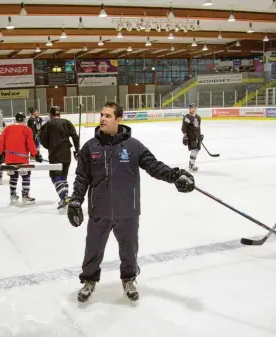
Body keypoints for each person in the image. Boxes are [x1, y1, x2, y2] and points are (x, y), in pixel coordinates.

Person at [67, 102, 195, 303]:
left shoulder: (133, 146)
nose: (102, 119)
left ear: (118, 119)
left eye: (108, 116)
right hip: (99, 210)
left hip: (128, 210)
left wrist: (174, 175)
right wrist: (75, 200)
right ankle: (89, 280)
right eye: (102, 114)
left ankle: (129, 279)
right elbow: (82, 177)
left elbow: (153, 166)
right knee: (93, 248)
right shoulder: (90, 148)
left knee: (129, 249)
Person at [40, 106, 80, 212]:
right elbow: (75, 136)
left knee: (55, 176)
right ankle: (64, 198)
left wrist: (50, 146)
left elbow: (43, 140)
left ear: (50, 115)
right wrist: (77, 150)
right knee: (63, 177)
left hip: (55, 154)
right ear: (59, 114)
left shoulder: (47, 125)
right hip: (67, 153)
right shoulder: (67, 122)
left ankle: (64, 197)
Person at [0, 112, 42, 205]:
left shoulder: (7, 128)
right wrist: (35, 154)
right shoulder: (27, 129)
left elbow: (1, 140)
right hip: (23, 159)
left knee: (13, 177)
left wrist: (1, 152)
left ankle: (13, 194)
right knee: (26, 177)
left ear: (15, 119)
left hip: (10, 158)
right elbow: (30, 143)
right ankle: (25, 195)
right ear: (24, 120)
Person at [181, 103, 203, 172]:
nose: (193, 109)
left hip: (197, 137)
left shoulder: (198, 117)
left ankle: (192, 164)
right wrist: (185, 137)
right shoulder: (187, 117)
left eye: (194, 108)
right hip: (191, 137)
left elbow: (198, 128)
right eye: (191, 108)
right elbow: (184, 128)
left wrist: (200, 135)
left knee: (197, 151)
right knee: (193, 151)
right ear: (189, 109)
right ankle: (191, 166)